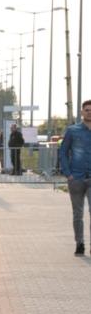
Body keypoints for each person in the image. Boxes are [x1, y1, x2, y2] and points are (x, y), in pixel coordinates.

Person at [59, 100, 91, 256]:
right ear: (82, 112)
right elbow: (63, 152)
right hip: (76, 178)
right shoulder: (73, 130)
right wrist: (68, 173)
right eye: (87, 110)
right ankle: (80, 243)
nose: (89, 112)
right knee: (78, 213)